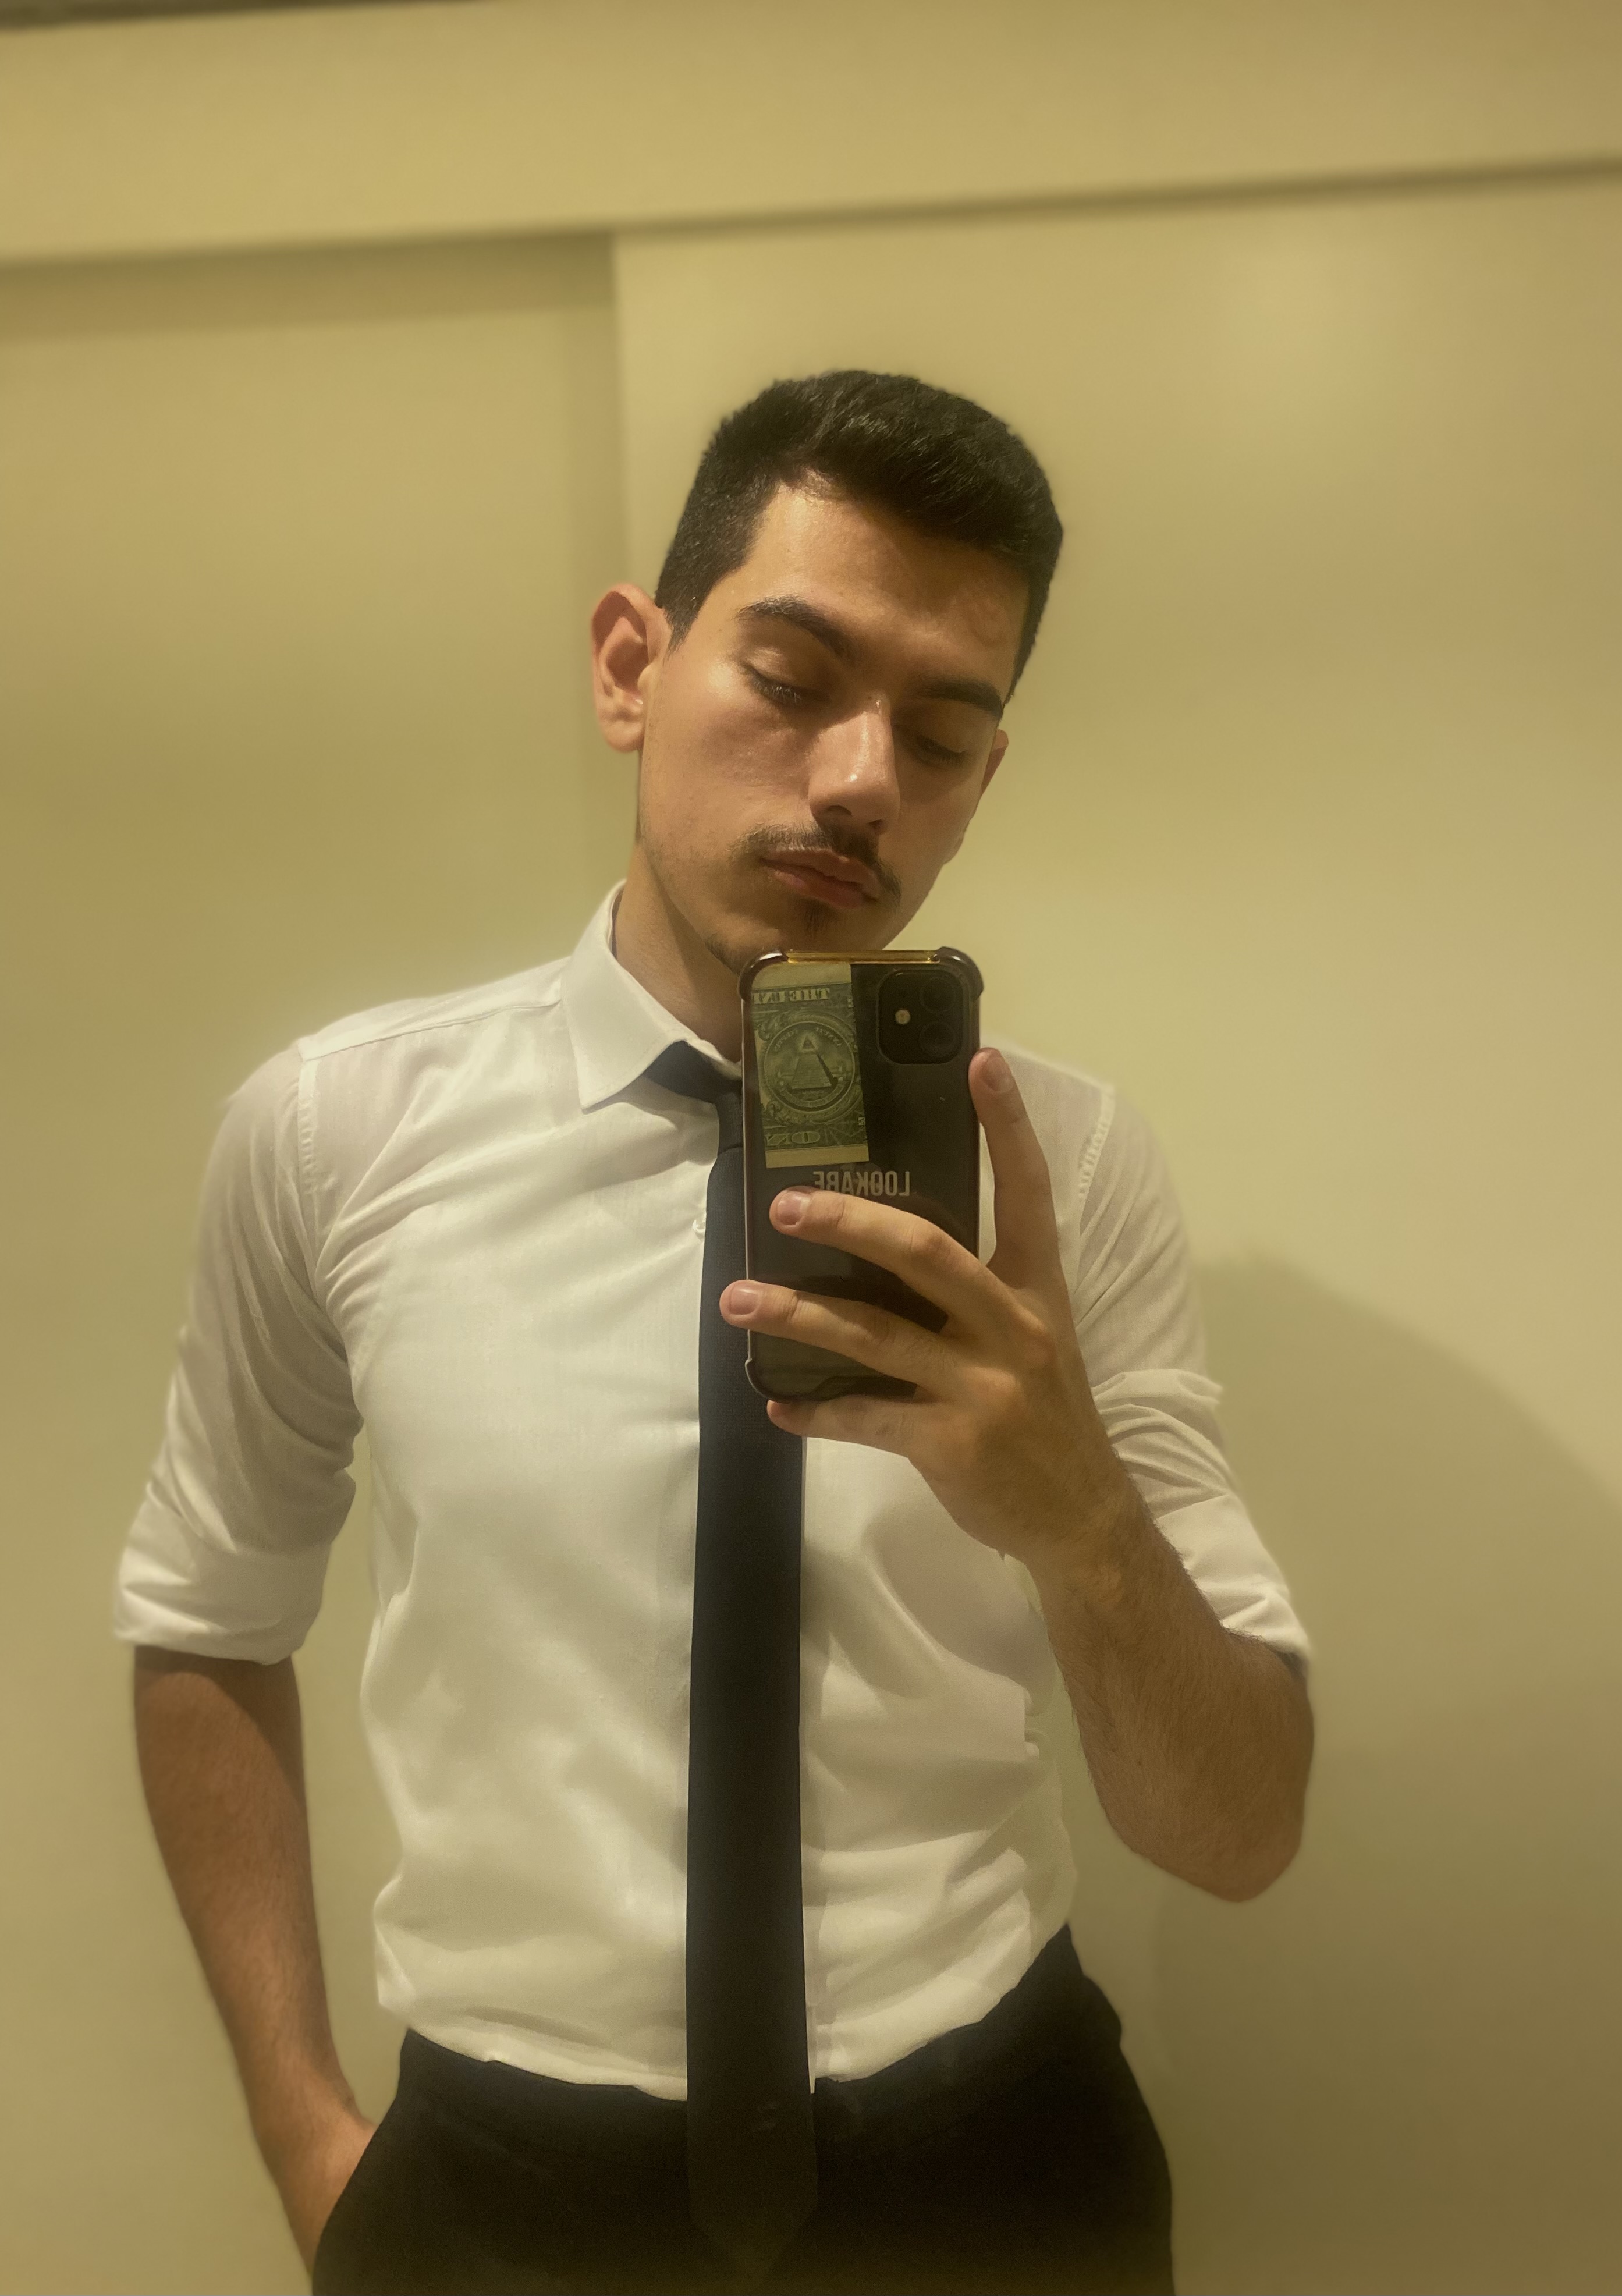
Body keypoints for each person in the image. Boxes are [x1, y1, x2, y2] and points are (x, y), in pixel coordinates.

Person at [116, 370, 1312, 2296]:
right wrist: (303, 2126)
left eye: (942, 733)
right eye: (793, 675)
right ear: (631, 664)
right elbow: (211, 1609)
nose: (861, 780)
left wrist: (1080, 1517)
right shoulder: (336, 1131)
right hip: (494, 2193)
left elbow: (1239, 1829)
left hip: (1001, 2170)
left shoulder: (1062, 1173)